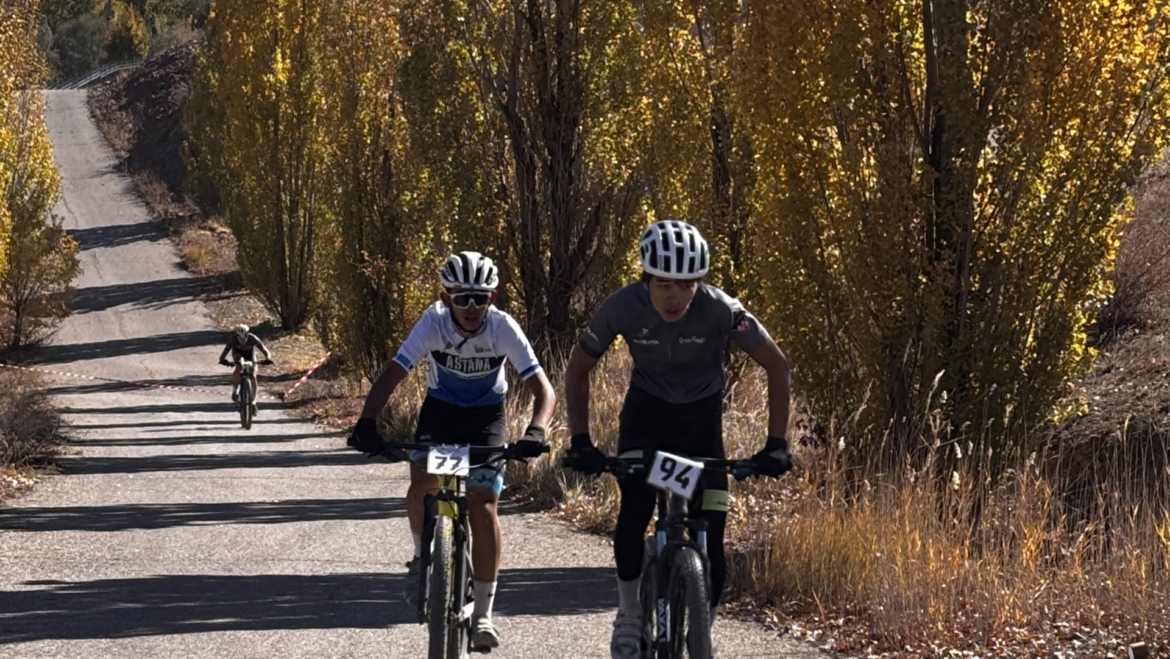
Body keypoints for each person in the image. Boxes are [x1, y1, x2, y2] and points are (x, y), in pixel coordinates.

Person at [563, 219, 793, 659]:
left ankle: (700, 629)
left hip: (700, 426)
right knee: (635, 510)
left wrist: (776, 443)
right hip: (645, 419)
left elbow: (777, 367)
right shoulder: (621, 307)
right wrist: (581, 440)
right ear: (646, 278)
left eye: (686, 285)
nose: (675, 296)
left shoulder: (723, 309)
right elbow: (578, 369)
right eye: (664, 283)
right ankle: (629, 614)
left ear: (699, 283)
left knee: (717, 532)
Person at [348, 250, 556, 651]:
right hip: (440, 415)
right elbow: (393, 373)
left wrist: (535, 429)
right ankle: (419, 558)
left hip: (485, 420)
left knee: (483, 506)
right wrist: (367, 422)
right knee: (423, 486)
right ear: (447, 299)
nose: (473, 307)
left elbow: (543, 390)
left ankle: (483, 614)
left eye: (481, 297)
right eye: (463, 298)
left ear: (492, 299)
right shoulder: (433, 323)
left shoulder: (503, 328)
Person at [217, 324, 273, 410]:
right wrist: (222, 360)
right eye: (240, 337)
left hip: (250, 354)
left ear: (248, 334)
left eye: (244, 337)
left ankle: (253, 401)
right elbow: (225, 352)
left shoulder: (253, 338)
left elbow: (265, 350)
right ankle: (235, 390)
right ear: (236, 336)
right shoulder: (233, 339)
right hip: (237, 354)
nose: (242, 339)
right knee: (239, 364)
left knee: (254, 374)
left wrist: (268, 358)